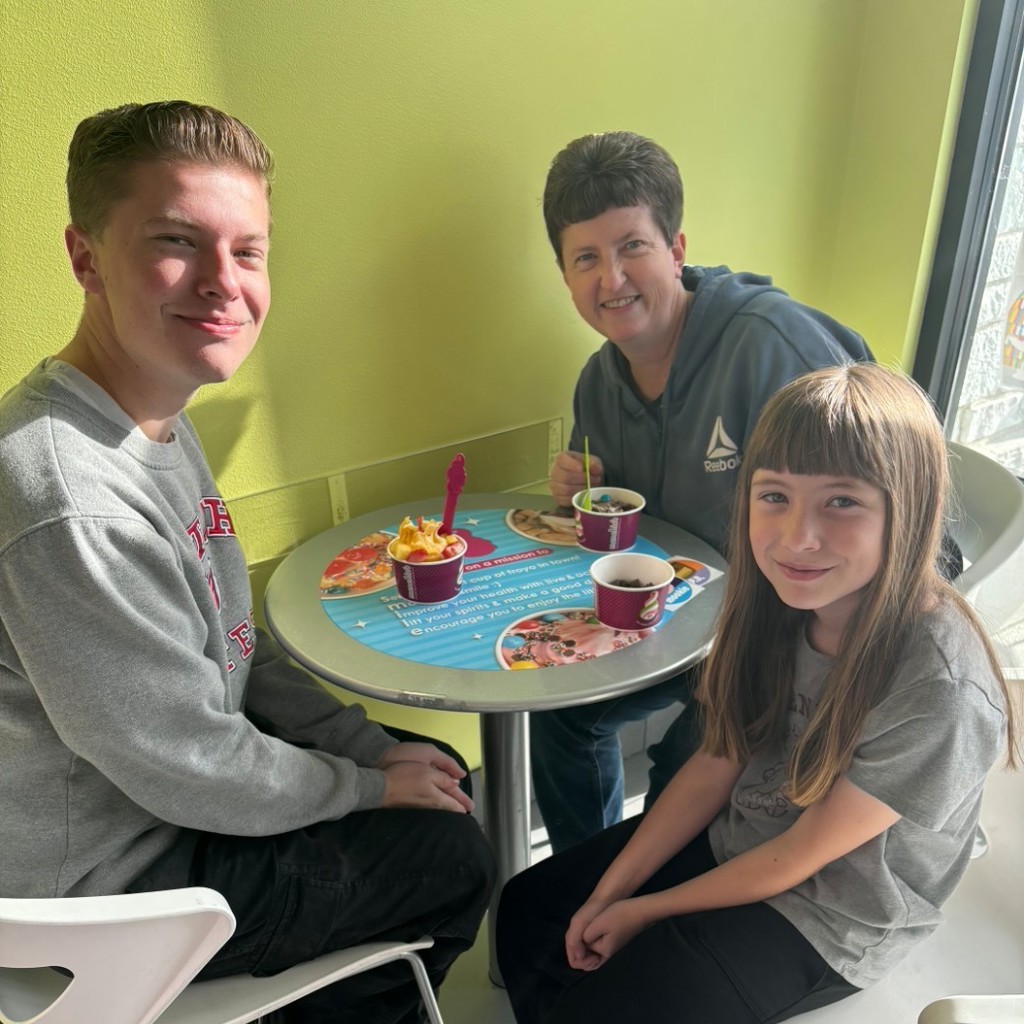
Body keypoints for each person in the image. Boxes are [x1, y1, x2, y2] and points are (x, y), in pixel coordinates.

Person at [0, 101, 494, 1024]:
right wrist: (364, 787)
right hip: (115, 890)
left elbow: (234, 642)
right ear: (84, 258)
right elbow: (187, 763)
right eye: (177, 241)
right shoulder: (70, 496)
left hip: (165, 799)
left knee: (442, 774)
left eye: (249, 250)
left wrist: (370, 749)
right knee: (455, 857)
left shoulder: (153, 414)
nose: (223, 283)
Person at [498, 362, 1018, 1024]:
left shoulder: (940, 684)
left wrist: (645, 910)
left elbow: (802, 854)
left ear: (907, 511)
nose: (797, 538)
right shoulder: (773, 608)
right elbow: (717, 762)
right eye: (774, 496)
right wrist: (610, 892)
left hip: (833, 917)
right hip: (743, 838)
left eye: (842, 502)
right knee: (530, 908)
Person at [532, 130, 874, 852]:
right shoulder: (598, 382)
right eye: (585, 258)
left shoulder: (775, 346)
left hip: (786, 632)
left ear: (676, 248)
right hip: (681, 622)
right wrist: (581, 497)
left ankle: (650, 885)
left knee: (686, 759)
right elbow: (619, 530)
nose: (611, 279)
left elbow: (878, 498)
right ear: (564, 275)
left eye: (632, 246)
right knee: (559, 711)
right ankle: (584, 875)